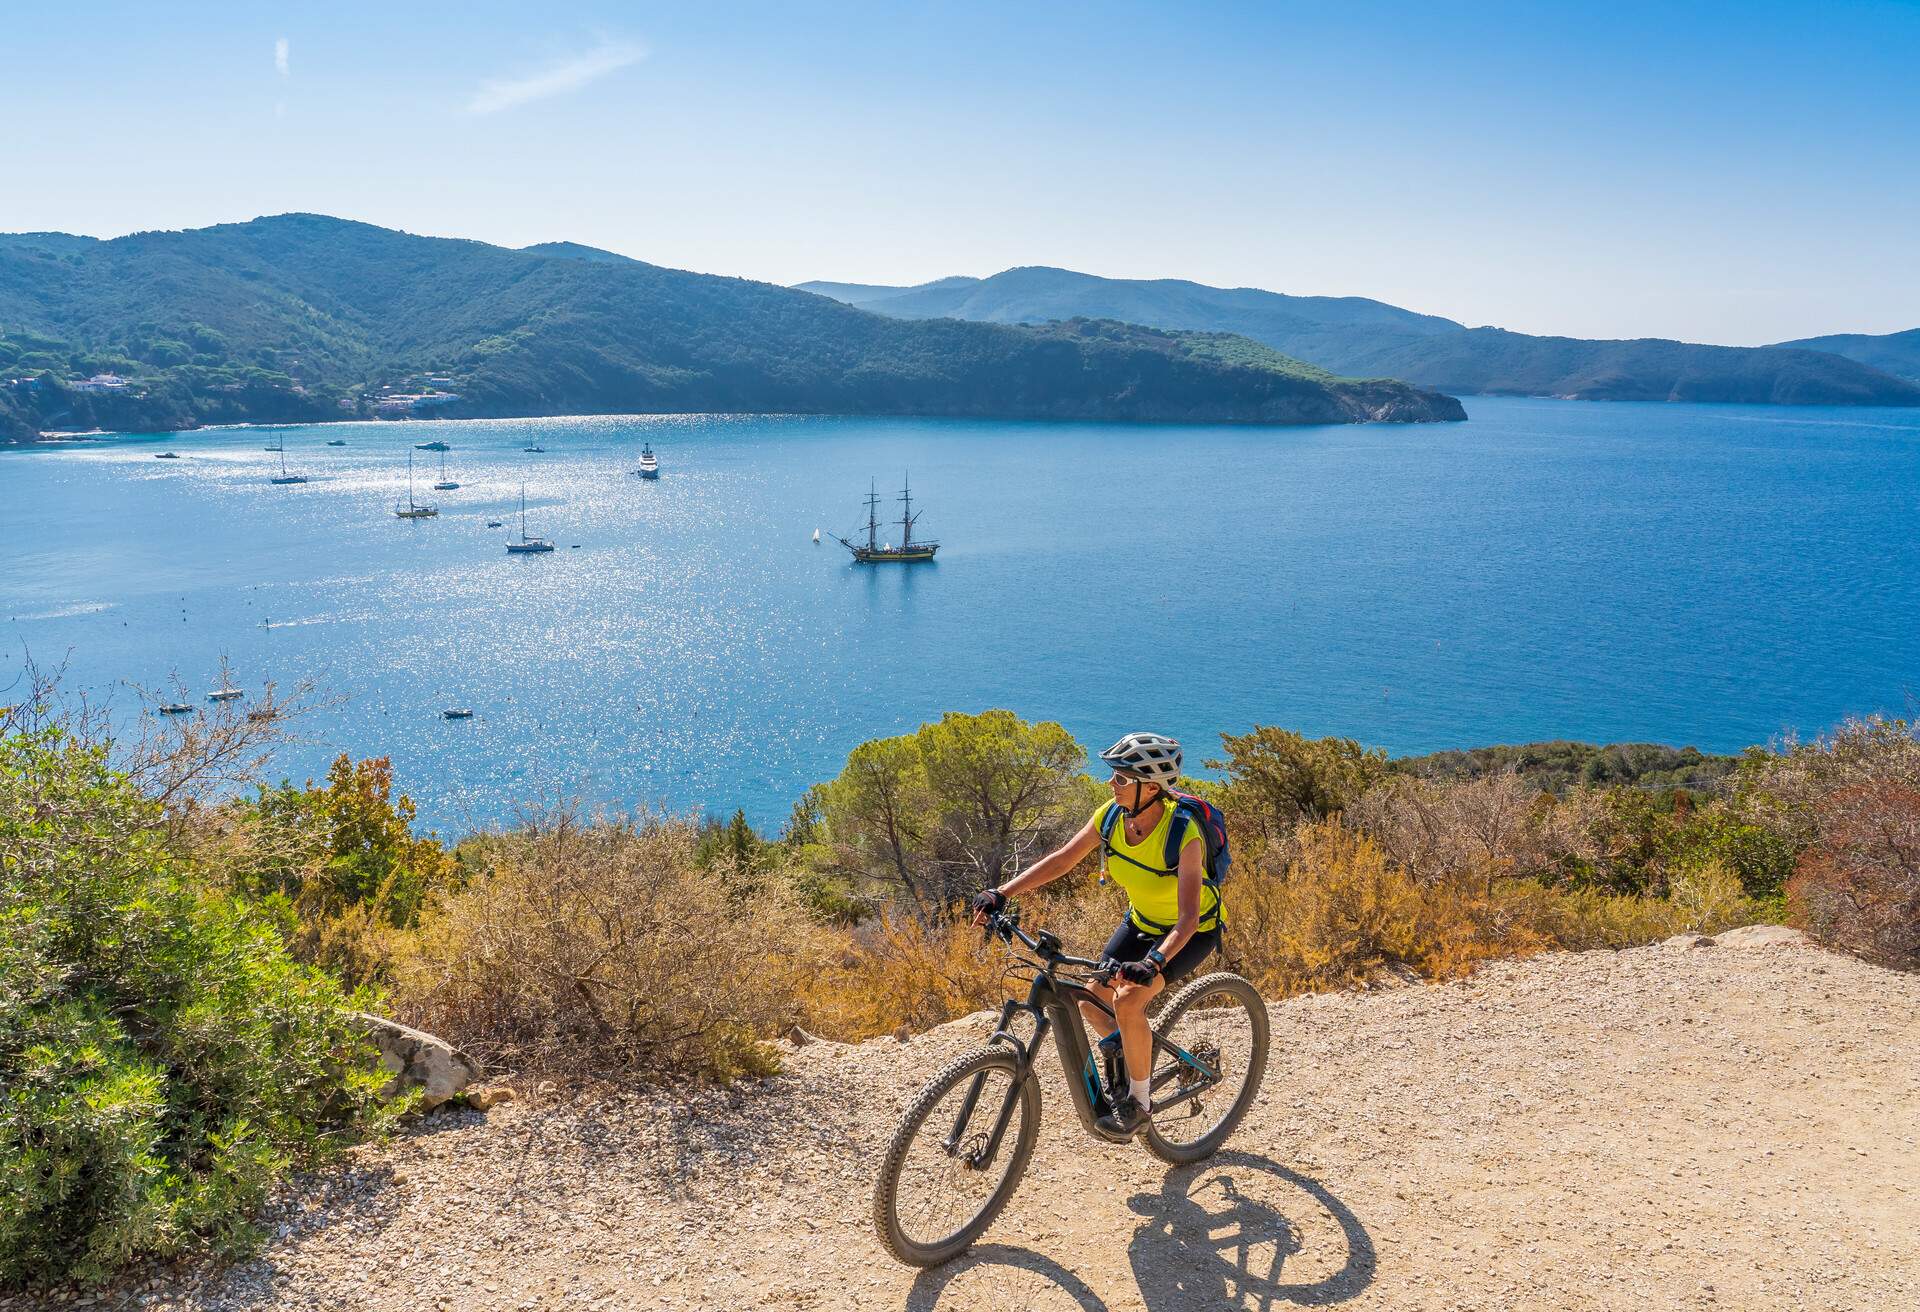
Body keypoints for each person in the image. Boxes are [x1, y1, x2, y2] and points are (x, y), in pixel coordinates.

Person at [971, 731, 1223, 1137]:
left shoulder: (1183, 834)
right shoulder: (1110, 817)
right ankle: (1134, 1051)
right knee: (1090, 1001)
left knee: (1128, 1001)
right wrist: (1002, 892)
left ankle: (1140, 1103)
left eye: (1122, 778)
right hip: (1141, 923)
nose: (1111, 784)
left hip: (1189, 933)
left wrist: (1153, 962)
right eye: (1114, 776)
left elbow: (1189, 917)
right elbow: (1063, 860)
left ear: (1151, 788)